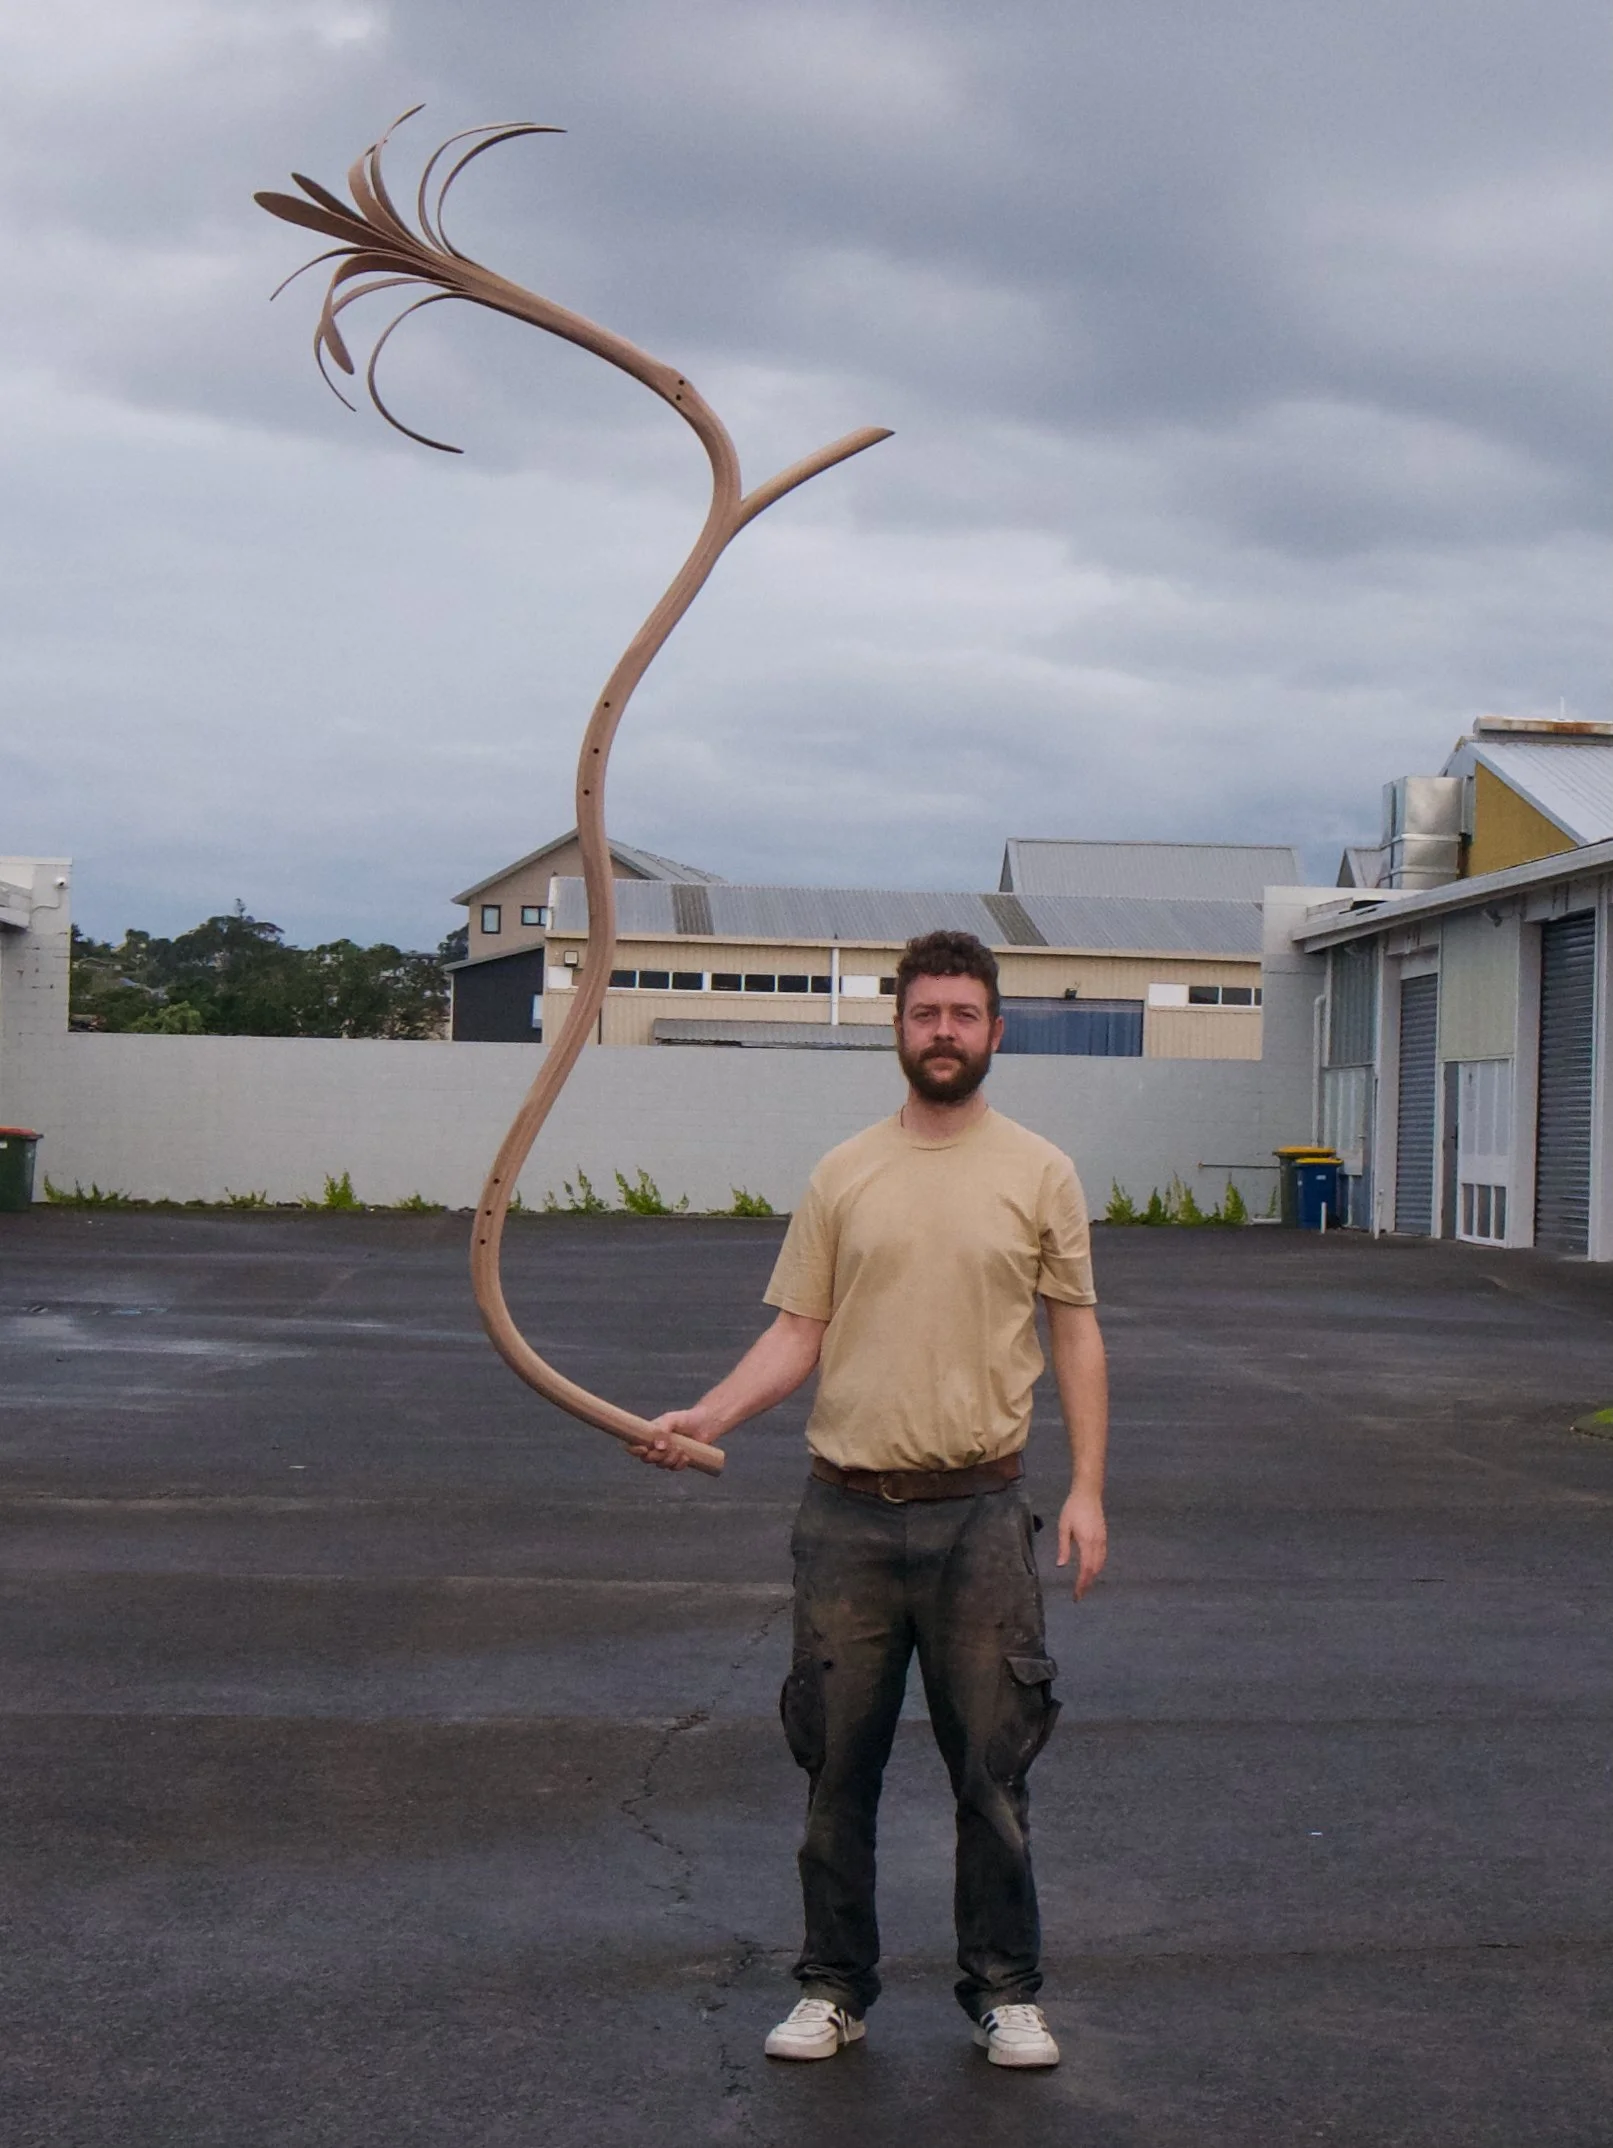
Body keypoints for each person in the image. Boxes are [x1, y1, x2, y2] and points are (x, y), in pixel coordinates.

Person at [632, 928, 1108, 2070]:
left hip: (981, 1519)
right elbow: (798, 1333)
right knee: (833, 1770)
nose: (941, 1032)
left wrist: (1087, 1488)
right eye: (922, 1013)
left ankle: (1004, 1993)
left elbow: (1075, 1333)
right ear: (896, 1028)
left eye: (961, 1014)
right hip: (844, 1517)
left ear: (994, 1030)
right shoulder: (842, 1173)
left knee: (991, 1774)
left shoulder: (1039, 1170)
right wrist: (706, 1415)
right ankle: (831, 1991)